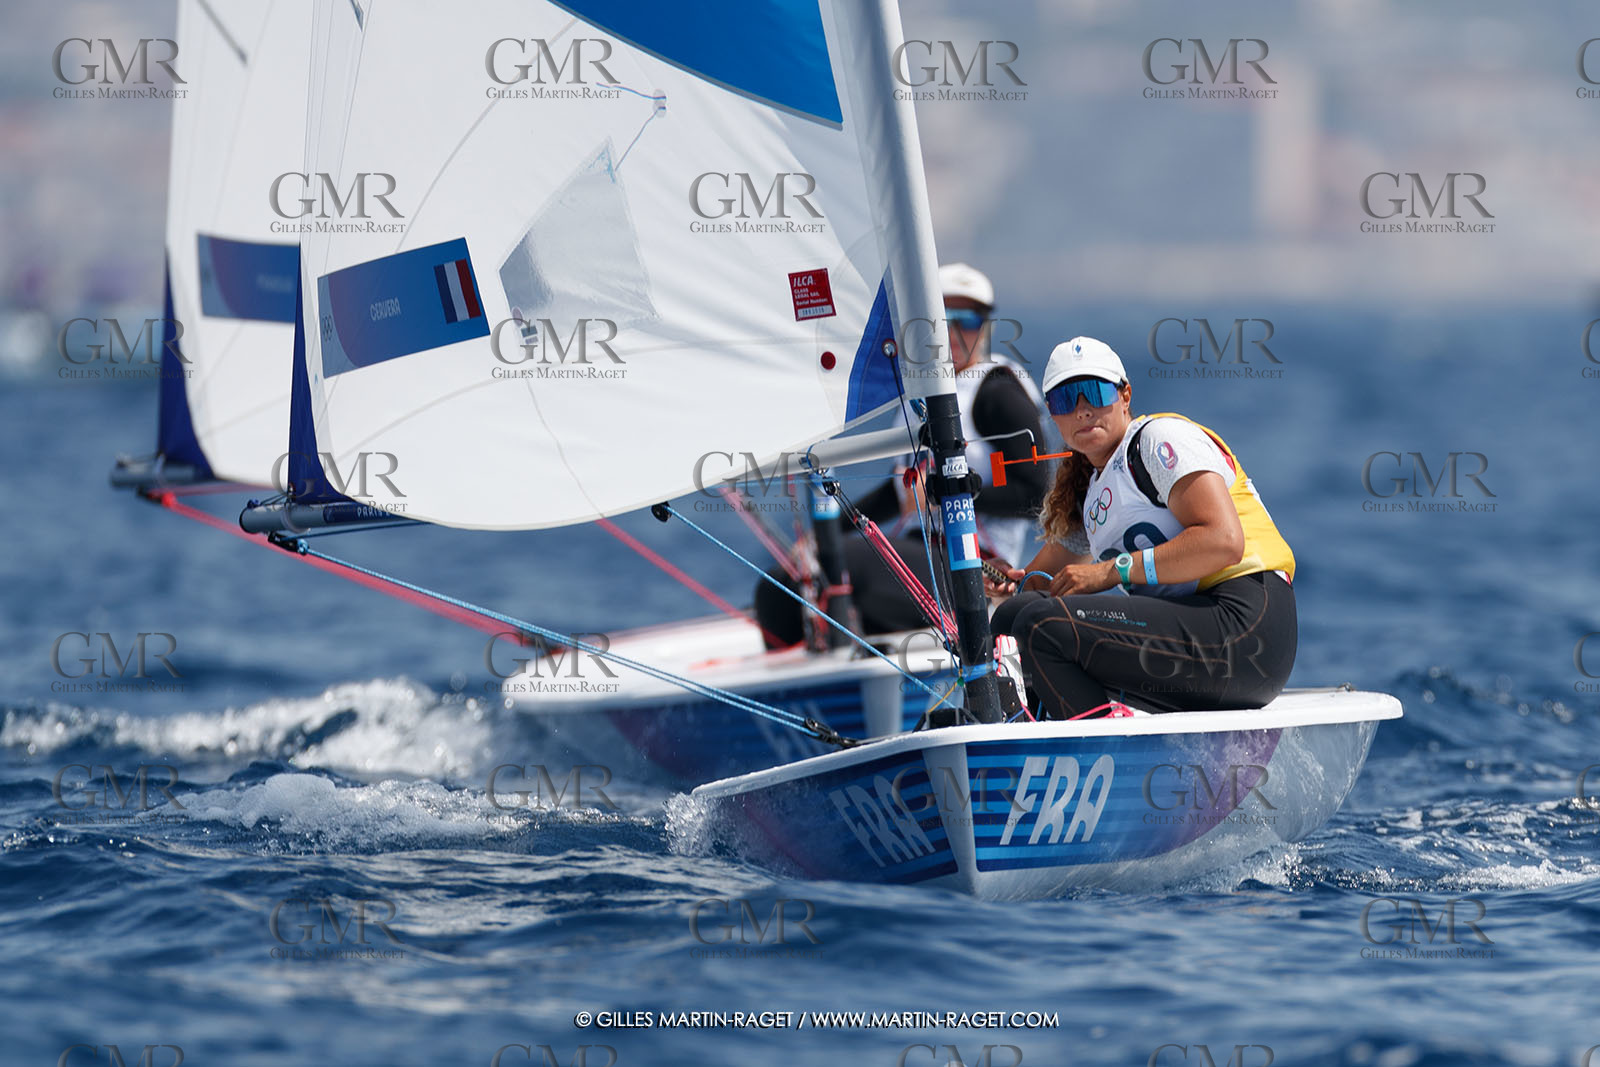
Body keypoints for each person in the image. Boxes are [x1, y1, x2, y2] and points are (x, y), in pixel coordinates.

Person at [986, 336, 1297, 718]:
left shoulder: (1157, 441)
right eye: (1067, 401)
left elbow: (1224, 542)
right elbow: (1040, 580)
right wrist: (1010, 583)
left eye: (1095, 393)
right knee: (1013, 617)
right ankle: (1021, 738)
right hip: (1195, 640)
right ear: (1053, 415)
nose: (1083, 410)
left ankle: (1101, 744)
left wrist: (1111, 571)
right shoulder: (1091, 494)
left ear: (1125, 395)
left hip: (1248, 628)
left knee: (1042, 625)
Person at [754, 263, 1053, 647]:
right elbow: (898, 495)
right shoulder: (920, 397)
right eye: (943, 319)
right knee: (781, 583)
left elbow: (1035, 496)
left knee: (838, 566)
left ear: (986, 326)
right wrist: (824, 536)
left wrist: (947, 490)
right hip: (920, 554)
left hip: (972, 565)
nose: (956, 333)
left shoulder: (995, 393)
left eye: (970, 321)